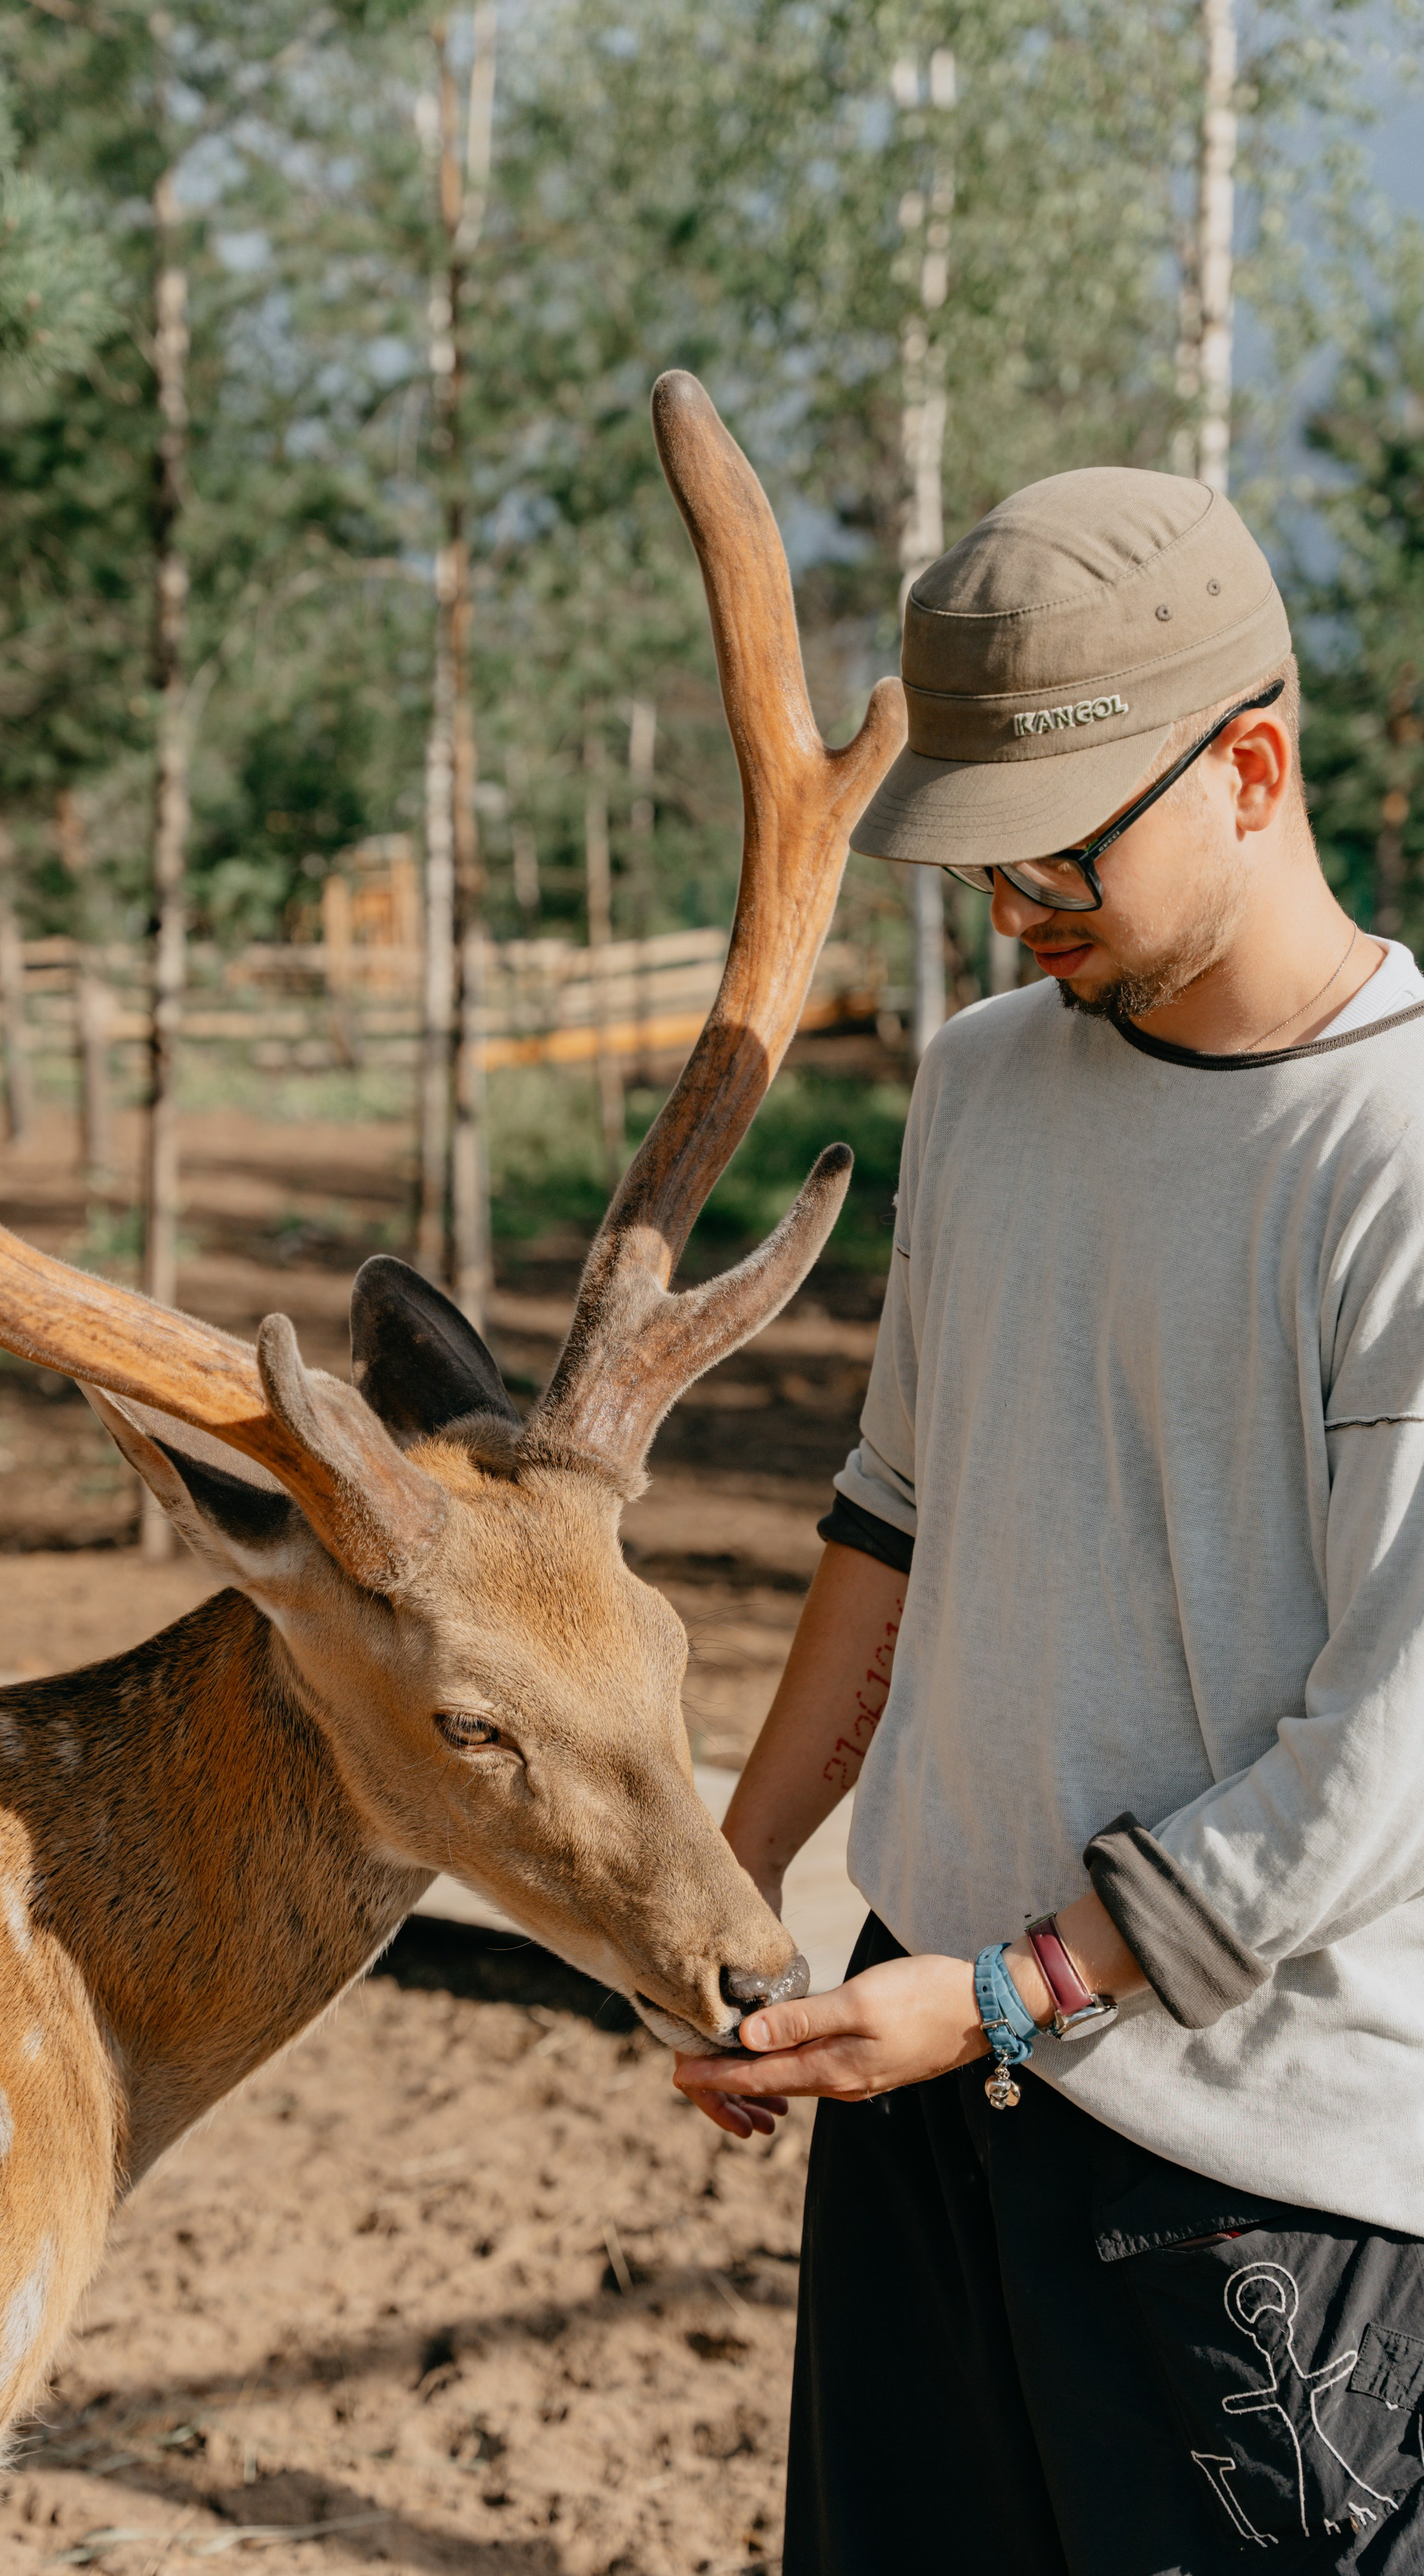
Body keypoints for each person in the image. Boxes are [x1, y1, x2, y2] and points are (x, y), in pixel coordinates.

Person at [671, 467, 1424, 2574]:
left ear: (1252, 766)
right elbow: (898, 1519)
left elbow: (1385, 1761)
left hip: (1259, 2149)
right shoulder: (989, 1082)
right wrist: (731, 1890)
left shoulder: (1403, 1158)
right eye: (985, 864)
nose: (1017, 911)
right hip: (929, 2082)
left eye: (1056, 854)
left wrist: (1017, 1991)